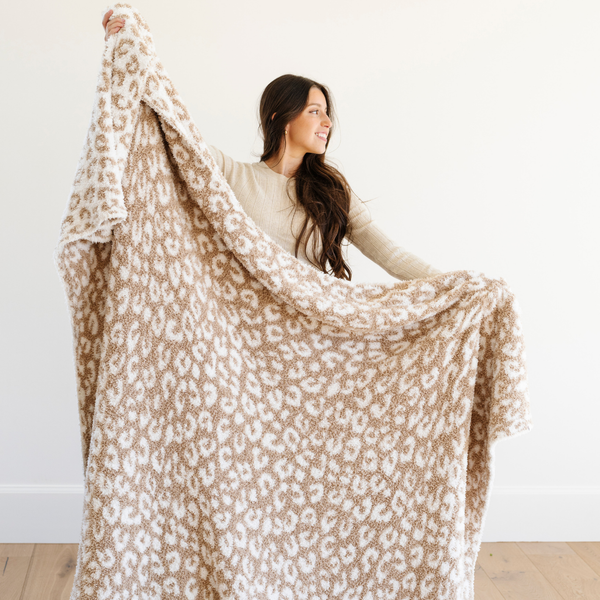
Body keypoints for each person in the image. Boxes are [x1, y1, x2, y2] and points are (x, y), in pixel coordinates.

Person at [102, 10, 442, 281]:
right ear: (282, 118)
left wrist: (454, 285)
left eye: (328, 114)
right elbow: (173, 129)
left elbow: (390, 253)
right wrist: (132, 48)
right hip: (247, 345)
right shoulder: (234, 177)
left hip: (310, 338)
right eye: (315, 112)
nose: (327, 123)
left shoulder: (332, 189)